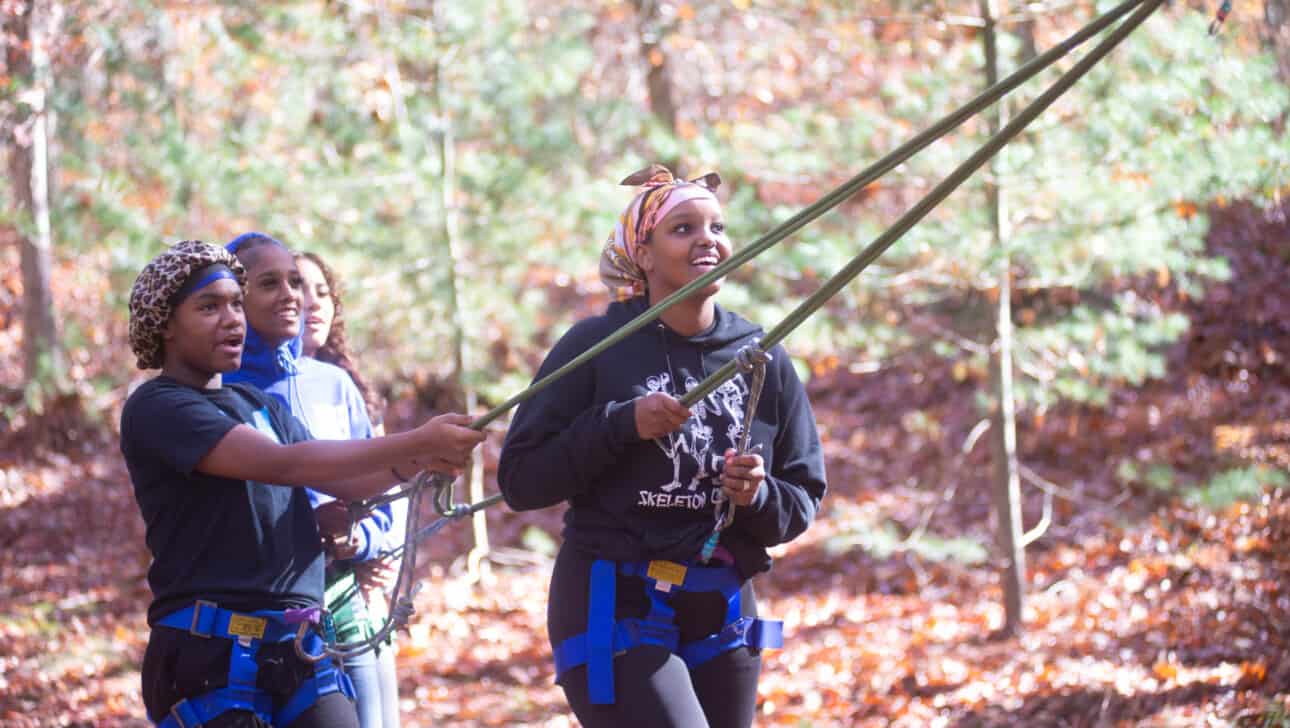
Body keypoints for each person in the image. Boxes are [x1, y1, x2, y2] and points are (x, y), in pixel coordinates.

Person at [497, 165, 827, 728]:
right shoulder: (598, 346)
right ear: (643, 255)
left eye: (716, 226)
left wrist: (756, 494)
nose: (707, 239)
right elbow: (522, 479)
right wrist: (619, 425)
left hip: (720, 606)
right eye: (683, 228)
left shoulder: (759, 356)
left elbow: (800, 500)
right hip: (613, 601)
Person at [120, 239, 484, 728]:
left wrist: (421, 460)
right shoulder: (160, 406)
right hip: (209, 655)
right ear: (165, 324)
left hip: (296, 651)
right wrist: (413, 442)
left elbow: (350, 481)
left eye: (234, 304)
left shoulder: (260, 404)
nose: (231, 319)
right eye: (208, 307)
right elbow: (286, 464)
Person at [222, 233, 400, 728]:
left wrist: (359, 541)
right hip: (264, 621)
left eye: (295, 282)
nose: (290, 295)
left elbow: (383, 495)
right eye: (269, 283)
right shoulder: (222, 394)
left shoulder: (334, 385)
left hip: (347, 601)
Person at [298, 249, 403, 728]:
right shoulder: (233, 391)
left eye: (323, 292)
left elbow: (387, 499)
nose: (311, 303)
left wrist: (369, 546)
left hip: (356, 595)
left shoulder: (343, 387)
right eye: (298, 289)